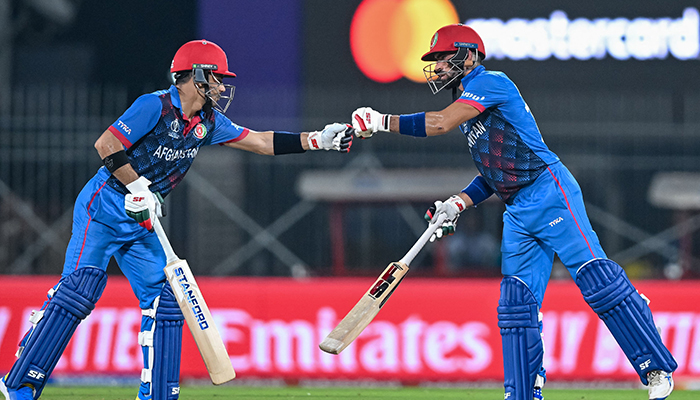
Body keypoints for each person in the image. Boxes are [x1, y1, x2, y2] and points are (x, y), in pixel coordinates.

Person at [0, 39, 352, 400]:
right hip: (103, 207)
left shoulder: (208, 122)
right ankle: (20, 384)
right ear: (195, 75)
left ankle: (159, 396)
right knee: (80, 290)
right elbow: (106, 144)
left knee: (166, 302)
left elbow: (260, 141)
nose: (220, 86)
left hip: (142, 220)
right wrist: (136, 184)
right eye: (216, 78)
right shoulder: (154, 105)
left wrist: (316, 140)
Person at [351, 24, 676, 400]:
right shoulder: (470, 112)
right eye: (435, 60)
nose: (437, 67)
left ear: (468, 55)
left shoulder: (491, 82)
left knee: (597, 282)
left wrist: (381, 121)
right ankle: (522, 394)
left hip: (550, 191)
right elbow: (496, 170)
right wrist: (460, 201)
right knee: (516, 306)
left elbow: (437, 123)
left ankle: (654, 367)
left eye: (443, 57)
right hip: (518, 210)